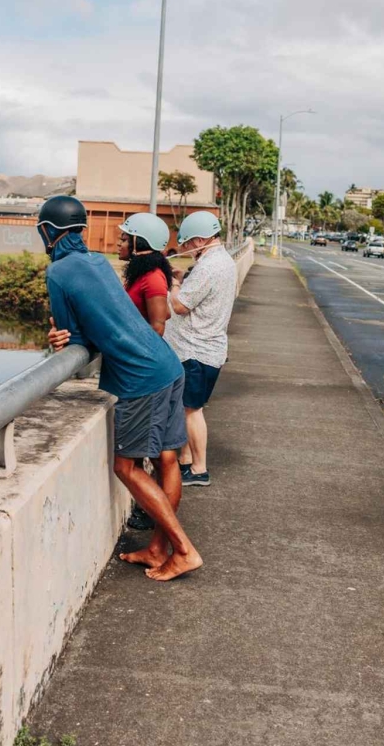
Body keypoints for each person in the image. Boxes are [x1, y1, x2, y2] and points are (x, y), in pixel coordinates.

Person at [41, 196, 201, 582]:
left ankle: (184, 551)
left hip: (139, 378)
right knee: (166, 460)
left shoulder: (58, 272)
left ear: (47, 232)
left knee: (125, 467)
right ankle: (158, 549)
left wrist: (58, 336)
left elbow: (77, 340)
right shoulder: (99, 262)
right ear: (81, 230)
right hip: (167, 366)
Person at [166, 210, 238, 487]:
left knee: (192, 411)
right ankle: (186, 461)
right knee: (188, 408)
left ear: (198, 240)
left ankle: (199, 469)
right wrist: (185, 281)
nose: (186, 249)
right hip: (208, 347)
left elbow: (180, 306)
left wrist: (174, 284)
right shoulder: (224, 261)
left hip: (195, 350)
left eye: (187, 243)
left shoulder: (208, 267)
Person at [118, 212, 175, 533]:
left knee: (155, 456)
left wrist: (130, 352)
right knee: (151, 454)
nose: (119, 242)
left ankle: (155, 517)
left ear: (140, 243)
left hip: (147, 374)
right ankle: (153, 516)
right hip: (144, 371)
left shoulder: (152, 277)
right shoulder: (143, 274)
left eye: (125, 238)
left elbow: (159, 325)